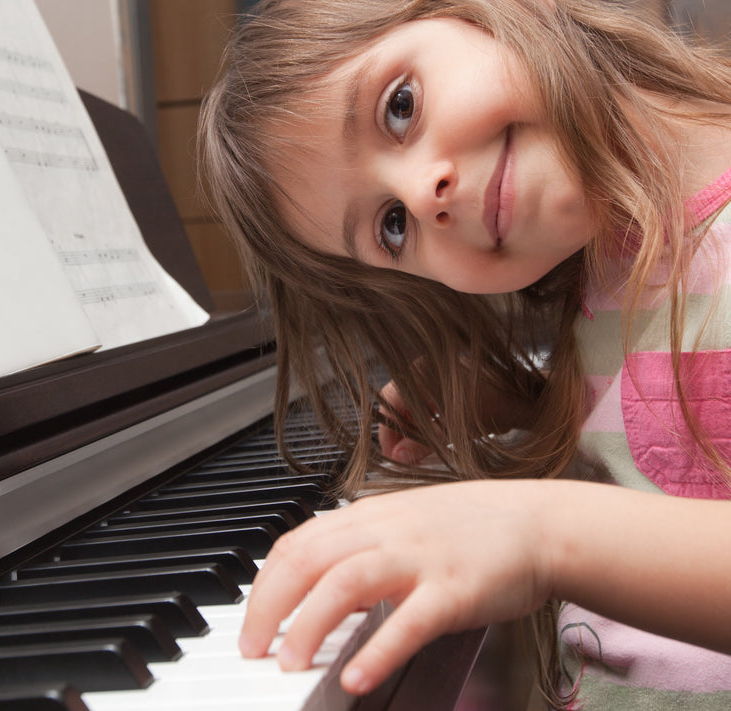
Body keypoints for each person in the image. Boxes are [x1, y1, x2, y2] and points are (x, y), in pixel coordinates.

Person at [198, 0, 731, 707]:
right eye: (392, 227)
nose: (424, 194)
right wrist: (521, 399)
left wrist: (539, 534)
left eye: (400, 106)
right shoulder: (612, 255)